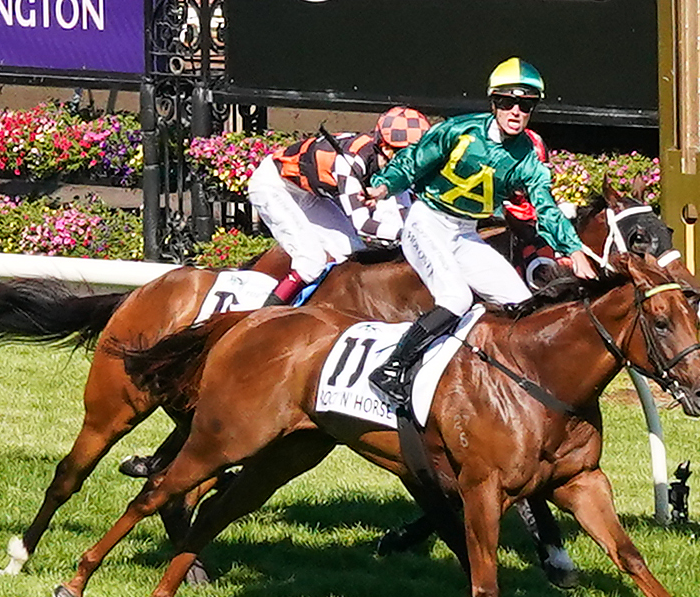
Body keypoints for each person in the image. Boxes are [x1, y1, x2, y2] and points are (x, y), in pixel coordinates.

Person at [362, 61, 584, 432]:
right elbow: (414, 161)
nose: (516, 111)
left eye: (526, 105)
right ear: (493, 103)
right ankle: (392, 367)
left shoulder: (528, 157)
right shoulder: (458, 130)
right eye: (507, 102)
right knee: (456, 298)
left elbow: (544, 206)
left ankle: (501, 377)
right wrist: (384, 186)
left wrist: (573, 249)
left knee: (521, 303)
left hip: (465, 232)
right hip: (427, 221)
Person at [244, 104, 427, 303]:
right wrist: (408, 235)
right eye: (409, 155)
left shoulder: (388, 162)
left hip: (307, 192)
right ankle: (264, 313)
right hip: (273, 185)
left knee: (352, 251)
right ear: (386, 149)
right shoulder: (350, 163)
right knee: (311, 261)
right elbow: (363, 225)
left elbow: (404, 210)